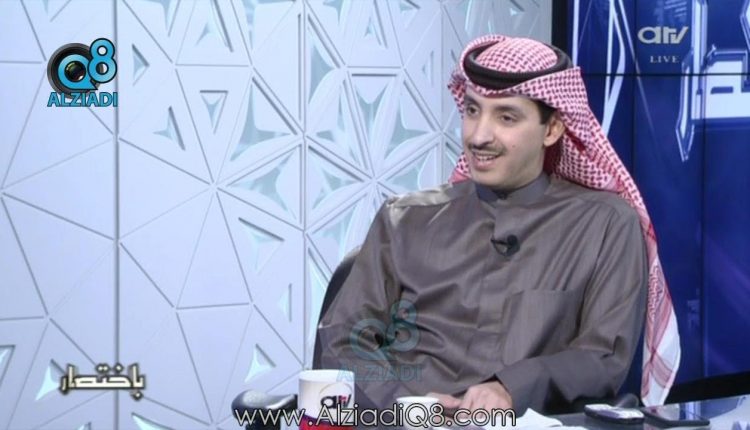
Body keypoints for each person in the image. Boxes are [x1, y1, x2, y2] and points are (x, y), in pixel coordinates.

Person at [316, 35, 680, 415]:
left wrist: (510, 388)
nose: (478, 136)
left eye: (506, 117)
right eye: (472, 111)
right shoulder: (405, 219)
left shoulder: (605, 225)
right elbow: (343, 339)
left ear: (553, 129)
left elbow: (602, 356)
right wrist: (409, 408)